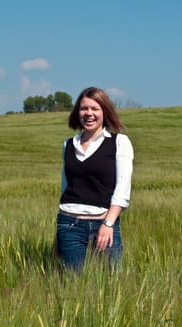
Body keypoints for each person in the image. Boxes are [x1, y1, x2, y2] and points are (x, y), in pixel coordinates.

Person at [55, 87, 134, 271]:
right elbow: (66, 186)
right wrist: (61, 228)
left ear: (104, 112)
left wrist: (108, 223)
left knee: (112, 284)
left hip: (104, 223)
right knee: (73, 285)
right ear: (77, 112)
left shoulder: (119, 143)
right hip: (69, 225)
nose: (88, 114)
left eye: (94, 109)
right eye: (84, 109)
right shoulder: (68, 145)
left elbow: (122, 188)